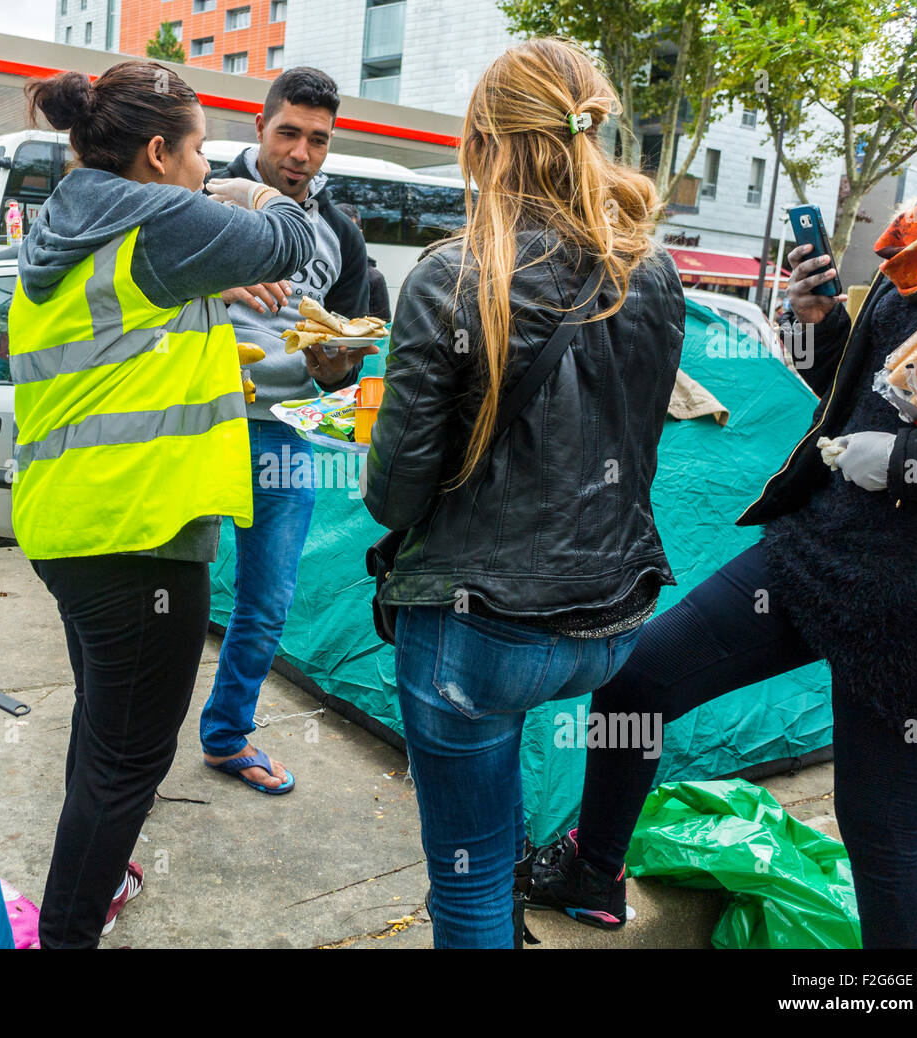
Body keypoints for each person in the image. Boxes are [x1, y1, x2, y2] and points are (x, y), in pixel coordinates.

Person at [523, 45, 917, 949]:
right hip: (822, 553)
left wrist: (905, 464)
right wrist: (823, 329)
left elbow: (908, 438)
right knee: (636, 681)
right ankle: (594, 870)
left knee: (884, 839)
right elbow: (870, 392)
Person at [362, 38, 686, 949]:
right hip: (610, 620)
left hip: (481, 632)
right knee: (489, 819)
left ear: (481, 143)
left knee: (463, 882)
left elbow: (393, 498)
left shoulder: (450, 275)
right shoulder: (652, 269)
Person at [9, 61, 315, 947]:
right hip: (137, 536)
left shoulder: (71, 223)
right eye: (199, 151)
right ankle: (67, 932)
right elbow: (294, 238)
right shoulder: (157, 220)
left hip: (71, 526)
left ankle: (95, 881)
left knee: (105, 731)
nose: (206, 167)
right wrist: (246, 193)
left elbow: (139, 349)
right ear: (156, 153)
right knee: (130, 759)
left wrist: (210, 277)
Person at [198, 67, 374, 794]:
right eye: (288, 133)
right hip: (196, 422)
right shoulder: (200, 193)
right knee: (168, 589)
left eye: (318, 140)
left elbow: (340, 362)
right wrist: (214, 281)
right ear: (260, 126)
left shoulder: (342, 237)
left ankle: (226, 735)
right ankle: (132, 743)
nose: (301, 152)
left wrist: (335, 364)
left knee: (268, 599)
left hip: (283, 433)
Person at [336, 202, 392, 321]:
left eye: (348, 231)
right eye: (336, 230)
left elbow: (382, 325)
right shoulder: (313, 271)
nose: (341, 237)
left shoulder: (374, 278)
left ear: (359, 234)